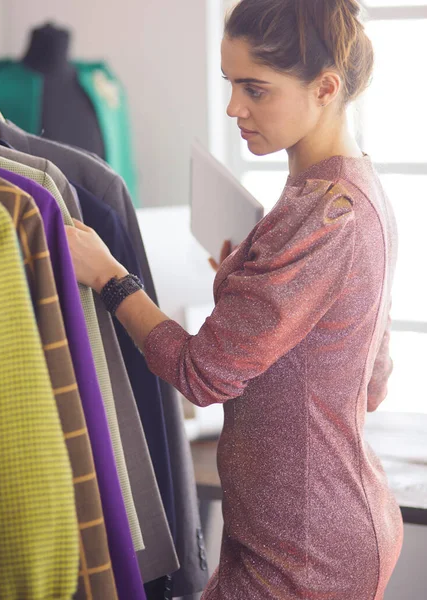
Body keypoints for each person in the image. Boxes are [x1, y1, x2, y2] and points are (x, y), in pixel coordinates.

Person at [65, 0, 403, 597]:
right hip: (312, 525)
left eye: (255, 89)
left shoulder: (326, 217)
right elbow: (369, 380)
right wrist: (261, 292)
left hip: (304, 548)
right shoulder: (350, 190)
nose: (233, 108)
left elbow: (202, 374)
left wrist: (110, 278)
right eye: (230, 83)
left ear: (325, 88)